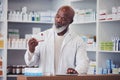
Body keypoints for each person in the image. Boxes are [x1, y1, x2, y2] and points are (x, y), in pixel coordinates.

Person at [24, 5, 89, 75]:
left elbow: (83, 63)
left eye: (63, 19)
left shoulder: (77, 40)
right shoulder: (43, 36)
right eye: (57, 16)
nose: (58, 20)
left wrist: (76, 71)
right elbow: (30, 63)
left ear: (70, 21)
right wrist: (31, 50)